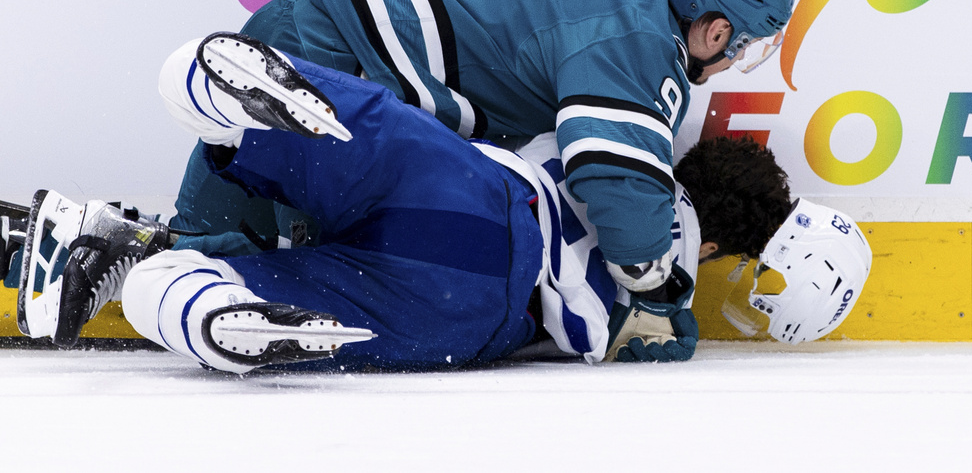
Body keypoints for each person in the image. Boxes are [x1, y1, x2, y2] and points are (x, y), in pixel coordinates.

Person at [20, 32, 819, 372]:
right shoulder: (669, 294)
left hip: (478, 189)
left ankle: (202, 86)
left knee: (349, 130)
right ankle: (193, 307)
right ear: (715, 248)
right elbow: (660, 343)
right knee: (284, 301)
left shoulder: (625, 145)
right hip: (469, 303)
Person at [169, 0, 796, 300]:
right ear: (715, 31)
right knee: (232, 261)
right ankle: (144, 267)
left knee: (209, 247)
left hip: (318, 35)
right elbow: (617, 182)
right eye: (742, 42)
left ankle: (129, 254)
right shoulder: (640, 47)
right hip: (329, 67)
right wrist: (658, 283)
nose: (734, 56)